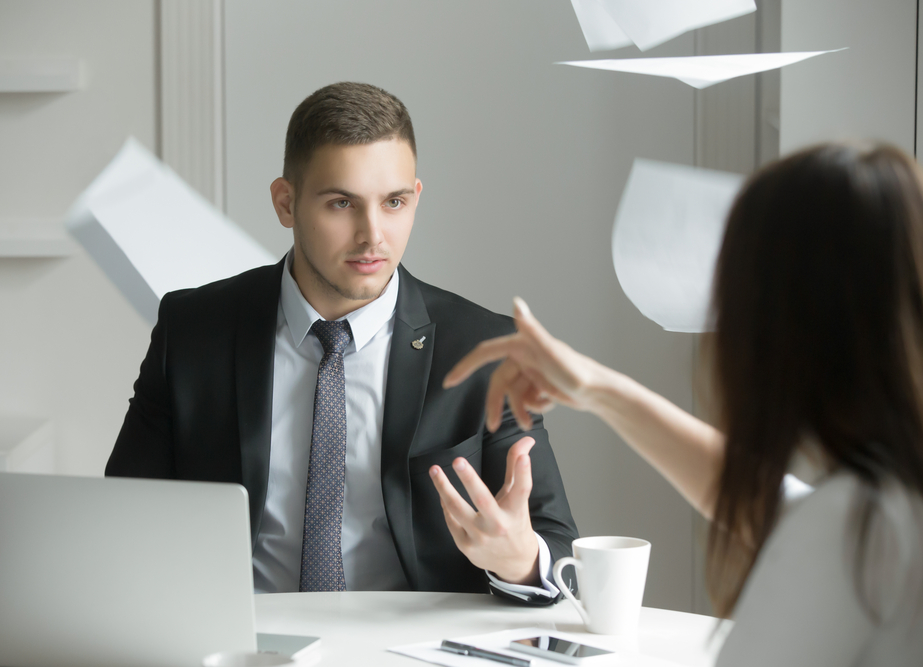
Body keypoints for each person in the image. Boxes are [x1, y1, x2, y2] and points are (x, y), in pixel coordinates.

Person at [443, 143, 923, 664]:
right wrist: (598, 389)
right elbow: (771, 504)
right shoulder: (907, 502)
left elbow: (810, 525)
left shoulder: (855, 531)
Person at [105, 82, 578, 602]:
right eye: (341, 204)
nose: (372, 235)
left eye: (394, 202)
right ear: (286, 203)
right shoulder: (192, 330)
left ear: (415, 197)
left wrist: (521, 561)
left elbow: (557, 544)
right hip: (247, 643)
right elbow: (124, 521)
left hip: (410, 651)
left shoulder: (484, 347)